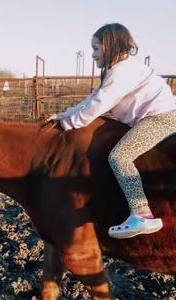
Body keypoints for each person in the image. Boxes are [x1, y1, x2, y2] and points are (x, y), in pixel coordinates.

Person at [48, 23, 176, 239]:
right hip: (154, 117)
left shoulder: (122, 71)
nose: (92, 54)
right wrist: (66, 115)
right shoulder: (118, 70)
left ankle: (141, 213)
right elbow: (94, 98)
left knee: (120, 157)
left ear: (110, 46)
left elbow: (100, 103)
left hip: (161, 119)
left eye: (96, 48)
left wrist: (69, 124)